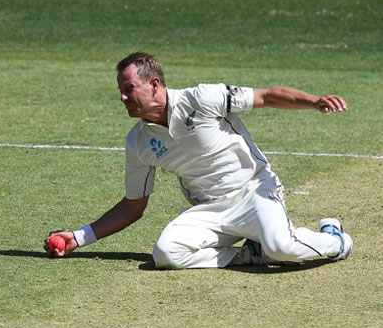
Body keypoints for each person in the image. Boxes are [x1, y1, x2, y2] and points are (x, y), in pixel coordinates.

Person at [44, 52, 352, 268]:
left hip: (255, 192)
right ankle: (249, 255)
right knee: (166, 253)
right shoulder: (138, 142)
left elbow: (267, 96)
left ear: (153, 85)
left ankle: (335, 239)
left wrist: (314, 102)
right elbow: (132, 206)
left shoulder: (202, 98)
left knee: (283, 248)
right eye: (121, 92)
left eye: (128, 89)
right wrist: (77, 237)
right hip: (209, 211)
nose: (123, 98)